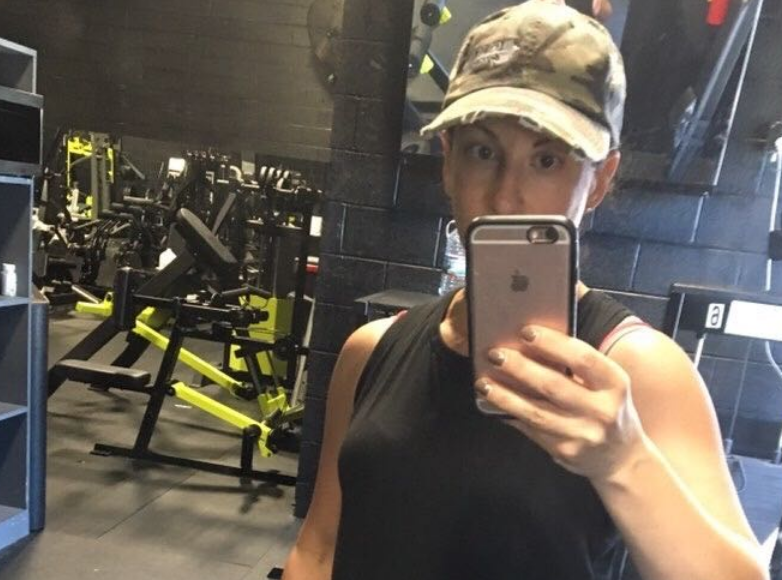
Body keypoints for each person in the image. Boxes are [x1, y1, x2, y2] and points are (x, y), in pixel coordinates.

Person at [283, 1, 768, 579]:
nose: (506, 196)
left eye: (547, 160)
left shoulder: (640, 370)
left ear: (599, 181)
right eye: (483, 152)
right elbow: (319, 547)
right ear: (448, 163)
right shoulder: (372, 350)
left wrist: (622, 460)